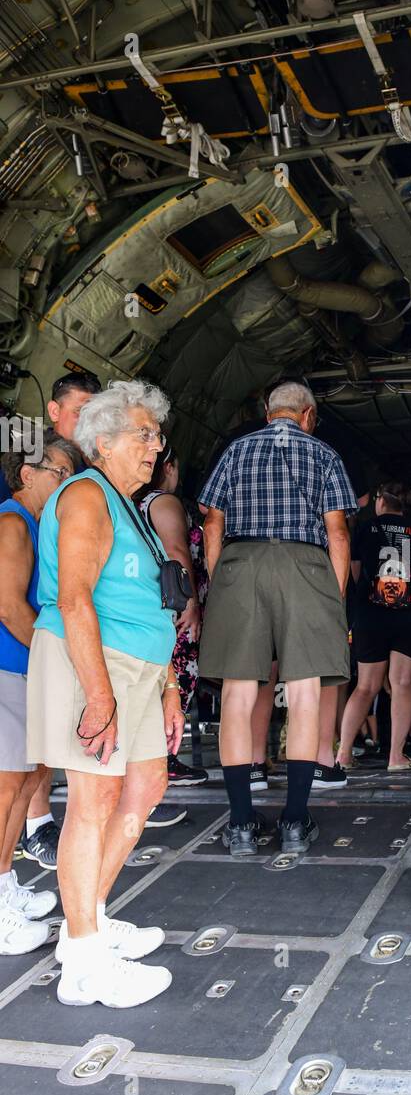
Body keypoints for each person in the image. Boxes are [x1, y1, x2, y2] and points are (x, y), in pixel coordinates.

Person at [26, 380, 184, 1007]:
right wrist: (98, 694)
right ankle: (85, 961)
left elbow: (154, 602)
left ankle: (85, 916)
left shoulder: (131, 507)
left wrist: (170, 687)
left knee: (147, 786)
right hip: (94, 665)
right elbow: (74, 598)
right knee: (93, 801)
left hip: (141, 669)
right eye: (144, 434)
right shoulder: (88, 494)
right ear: (105, 440)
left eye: (156, 435)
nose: (155, 447)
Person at [199, 379, 355, 856]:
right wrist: (335, 598)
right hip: (306, 566)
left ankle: (242, 824)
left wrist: (221, 579)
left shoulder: (234, 451)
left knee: (237, 694)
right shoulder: (324, 454)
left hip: (240, 564)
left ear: (269, 412)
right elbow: (339, 534)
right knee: (306, 692)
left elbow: (211, 521)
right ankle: (294, 821)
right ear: (307, 414)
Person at [17, 375, 103, 863]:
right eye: (80, 410)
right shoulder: (29, 489)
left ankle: (46, 820)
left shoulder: (87, 471)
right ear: (54, 412)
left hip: (65, 622)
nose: (89, 420)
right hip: (38, 631)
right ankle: (36, 825)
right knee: (30, 747)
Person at [0, 439, 77, 953]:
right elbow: (8, 606)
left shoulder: (30, 525)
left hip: (19, 669)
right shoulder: (12, 522)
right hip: (8, 668)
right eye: (61, 473)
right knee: (6, 789)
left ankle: (4, 883)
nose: (65, 485)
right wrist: (58, 661)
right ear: (28, 474)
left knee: (25, 782)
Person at [337, 481, 411, 773]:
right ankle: (396, 756)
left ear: (380, 501)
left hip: (371, 615)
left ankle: (342, 755)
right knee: (403, 684)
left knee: (365, 686)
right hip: (410, 616)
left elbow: (352, 574)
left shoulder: (364, 530)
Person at [137, 445, 209, 787]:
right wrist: (190, 603)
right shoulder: (163, 501)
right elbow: (177, 550)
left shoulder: (134, 501)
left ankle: (158, 756)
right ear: (169, 466)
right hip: (173, 607)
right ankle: (161, 757)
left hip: (154, 604)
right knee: (177, 677)